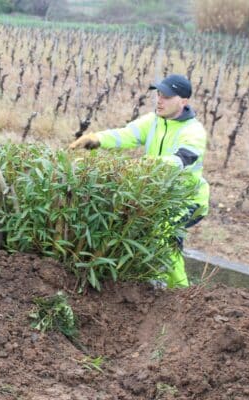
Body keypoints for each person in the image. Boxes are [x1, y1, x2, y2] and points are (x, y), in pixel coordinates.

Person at [68, 74, 209, 288]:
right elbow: (125, 135)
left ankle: (180, 293)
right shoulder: (153, 121)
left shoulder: (194, 131)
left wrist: (144, 166)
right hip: (160, 194)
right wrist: (97, 139)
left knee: (164, 236)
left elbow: (181, 160)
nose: (159, 100)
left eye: (167, 97)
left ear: (183, 101)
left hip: (188, 199)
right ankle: (152, 284)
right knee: (146, 232)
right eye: (159, 94)